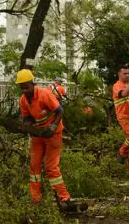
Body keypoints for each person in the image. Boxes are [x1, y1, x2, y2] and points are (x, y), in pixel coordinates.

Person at [16, 69, 85, 212]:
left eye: (26, 87)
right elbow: (27, 117)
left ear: (32, 84)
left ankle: (64, 198)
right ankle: (36, 200)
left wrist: (53, 127)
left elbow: (60, 111)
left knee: (51, 167)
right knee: (34, 166)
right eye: (22, 87)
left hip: (53, 134)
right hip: (37, 135)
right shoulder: (23, 100)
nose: (24, 90)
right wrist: (27, 126)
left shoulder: (44, 94)